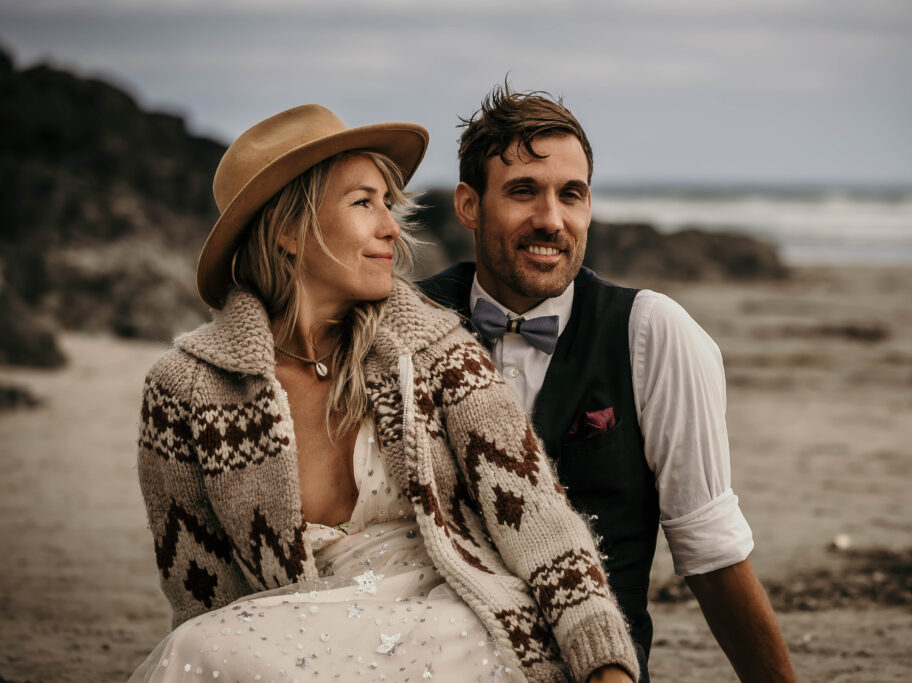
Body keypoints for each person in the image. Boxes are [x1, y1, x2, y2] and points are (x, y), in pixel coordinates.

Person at [130, 104, 639, 682]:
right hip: (295, 643)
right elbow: (203, 592)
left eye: (388, 205)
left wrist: (602, 662)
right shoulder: (185, 390)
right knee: (193, 647)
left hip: (457, 624)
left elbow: (538, 518)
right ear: (289, 230)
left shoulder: (432, 345)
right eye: (363, 203)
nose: (391, 229)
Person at [418, 86, 797, 682]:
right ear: (469, 205)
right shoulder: (408, 325)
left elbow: (712, 552)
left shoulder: (653, 334)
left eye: (572, 194)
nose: (551, 219)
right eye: (523, 191)